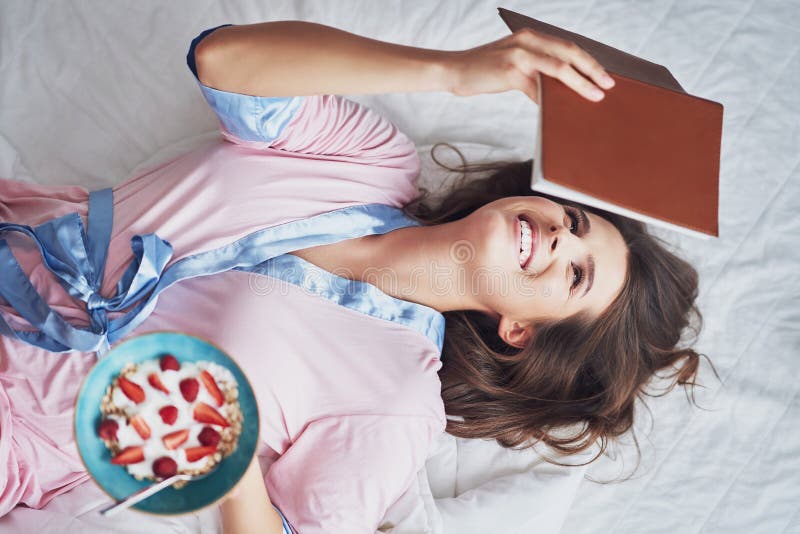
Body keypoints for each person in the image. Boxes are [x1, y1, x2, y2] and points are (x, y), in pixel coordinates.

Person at [0, 20, 704, 533]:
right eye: (573, 222)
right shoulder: (372, 161)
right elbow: (223, 60)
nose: (557, 235)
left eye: (574, 276)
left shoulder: (395, 405)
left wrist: (232, 456)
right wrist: (454, 71)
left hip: (21, 435)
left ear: (521, 331)